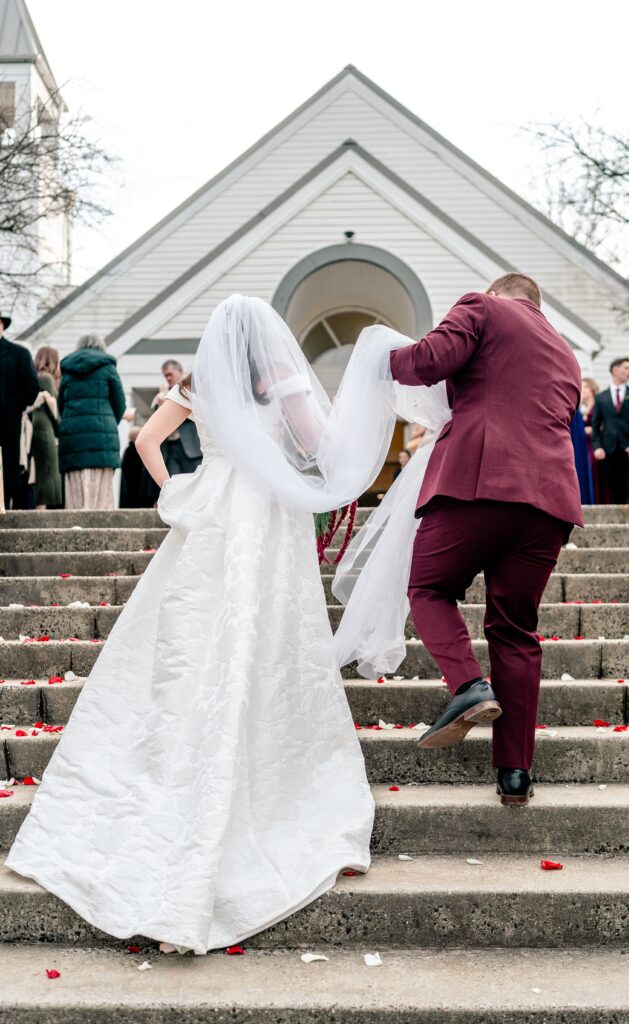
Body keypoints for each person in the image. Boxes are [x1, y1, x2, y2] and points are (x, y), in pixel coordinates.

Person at [8, 295, 408, 954]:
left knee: (192, 638)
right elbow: (322, 449)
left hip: (212, 510)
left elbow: (144, 440)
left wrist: (179, 490)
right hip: (265, 514)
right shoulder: (278, 384)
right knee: (260, 637)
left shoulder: (198, 385)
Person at [383, 273, 583, 806]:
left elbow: (427, 360)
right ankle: (515, 774)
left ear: (497, 294)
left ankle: (469, 686)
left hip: (479, 482)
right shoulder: (567, 356)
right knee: (516, 632)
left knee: (427, 587)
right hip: (548, 503)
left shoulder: (483, 308)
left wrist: (381, 358)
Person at [58, 334, 127, 510]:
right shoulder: (108, 367)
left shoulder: (68, 370)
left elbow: (61, 405)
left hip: (73, 438)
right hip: (102, 437)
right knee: (101, 492)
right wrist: (110, 421)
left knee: (75, 491)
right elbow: (119, 403)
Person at [0, 313, 40, 509]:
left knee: (7, 474)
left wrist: (11, 407)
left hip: (7, 423)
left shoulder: (19, 354)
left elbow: (31, 387)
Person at [591, 358, 629, 504]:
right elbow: (595, 426)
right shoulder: (601, 397)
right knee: (615, 490)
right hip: (610, 449)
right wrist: (598, 447)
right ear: (615, 370)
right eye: (626, 368)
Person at [153, 360, 202, 477]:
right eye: (165, 376)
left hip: (189, 446)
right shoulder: (162, 394)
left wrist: (166, 404)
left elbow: (194, 413)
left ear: (180, 371)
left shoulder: (190, 389)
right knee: (173, 483)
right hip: (169, 449)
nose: (168, 378)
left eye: (170, 374)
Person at [29, 346, 62, 510]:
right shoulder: (47, 378)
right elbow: (52, 409)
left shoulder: (36, 377)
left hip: (36, 425)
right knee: (47, 470)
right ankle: (41, 510)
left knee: (41, 470)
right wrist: (60, 426)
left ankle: (40, 508)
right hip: (45, 427)